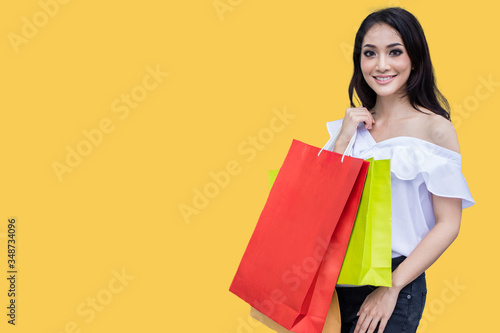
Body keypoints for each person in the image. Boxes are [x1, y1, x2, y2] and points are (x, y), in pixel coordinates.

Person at [326, 7, 475, 333]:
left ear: (415, 59)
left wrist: (392, 286)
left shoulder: (435, 129)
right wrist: (342, 142)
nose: (381, 65)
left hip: (397, 278)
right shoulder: (348, 129)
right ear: (359, 61)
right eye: (370, 53)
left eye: (395, 52)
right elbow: (321, 208)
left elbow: (449, 224)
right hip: (332, 282)